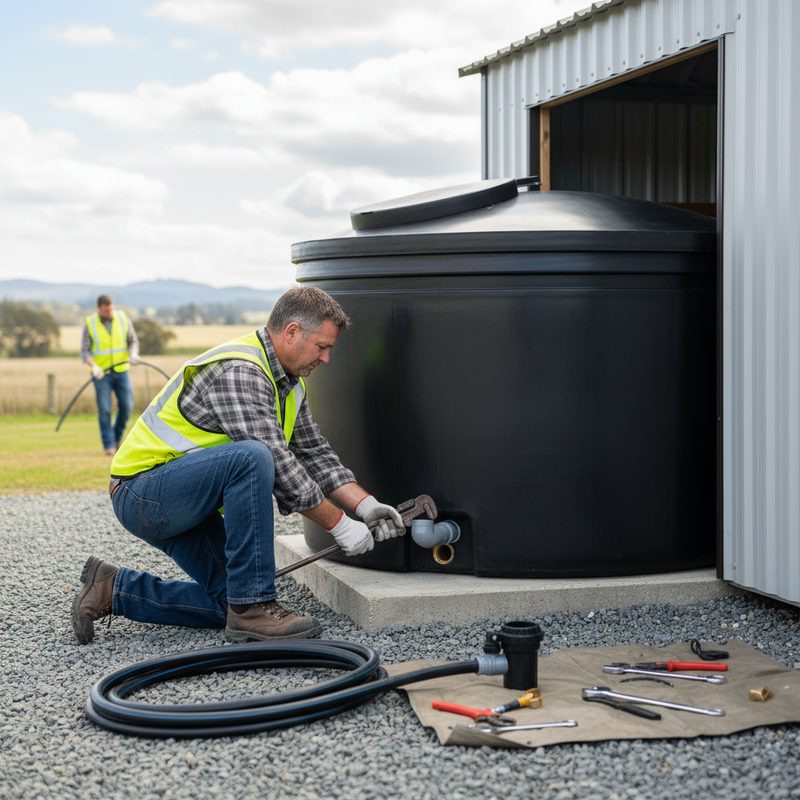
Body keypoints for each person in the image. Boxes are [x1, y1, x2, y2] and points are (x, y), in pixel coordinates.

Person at [72, 286, 405, 645]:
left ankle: (112, 589)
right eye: (321, 347)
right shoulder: (240, 372)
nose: (325, 359)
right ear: (292, 332)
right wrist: (340, 525)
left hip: (184, 500)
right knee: (253, 458)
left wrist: (365, 506)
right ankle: (254, 610)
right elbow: (276, 462)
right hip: (143, 494)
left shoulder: (289, 386)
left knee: (228, 604)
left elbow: (315, 454)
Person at [81, 294, 139, 455]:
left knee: (127, 407)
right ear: (98, 308)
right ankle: (109, 446)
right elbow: (84, 351)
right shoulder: (90, 323)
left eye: (111, 310)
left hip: (121, 371)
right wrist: (94, 366)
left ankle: (116, 437)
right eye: (106, 311)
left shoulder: (122, 318)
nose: (109, 313)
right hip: (101, 375)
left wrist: (133, 354)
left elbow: (133, 341)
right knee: (105, 409)